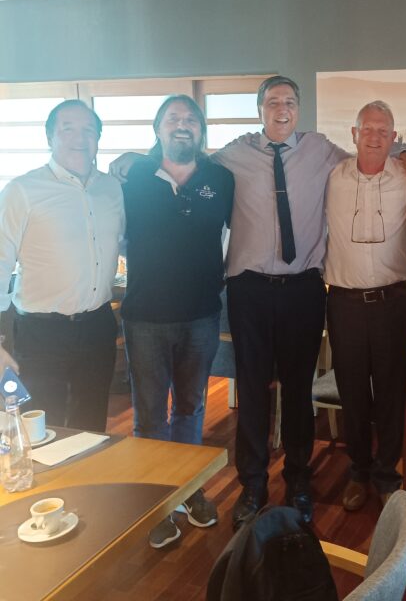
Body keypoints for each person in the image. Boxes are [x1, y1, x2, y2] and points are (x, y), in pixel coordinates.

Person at [206, 76, 406, 528]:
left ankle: (299, 481)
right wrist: (137, 161)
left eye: (290, 101)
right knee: (252, 391)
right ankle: (252, 484)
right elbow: (189, 164)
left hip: (303, 290)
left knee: (299, 390)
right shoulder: (233, 154)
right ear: (260, 109)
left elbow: (374, 160)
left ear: (299, 109)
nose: (282, 109)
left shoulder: (322, 151)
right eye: (273, 101)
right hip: (250, 290)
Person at [121, 95, 234, 548]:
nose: (182, 125)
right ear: (158, 128)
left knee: (191, 408)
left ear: (201, 130)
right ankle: (155, 502)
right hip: (145, 318)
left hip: (201, 315)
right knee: (149, 416)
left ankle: (188, 488)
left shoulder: (220, 179)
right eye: (173, 119)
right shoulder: (133, 176)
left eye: (190, 119)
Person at [324, 100, 406, 510]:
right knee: (352, 393)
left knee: (390, 392)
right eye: (367, 129)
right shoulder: (332, 177)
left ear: (394, 137)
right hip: (344, 303)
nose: (374, 136)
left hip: (392, 302)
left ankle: (387, 474)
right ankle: (358, 471)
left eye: (383, 131)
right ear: (353, 134)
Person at [0, 100, 124, 432]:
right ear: (50, 138)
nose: (79, 138)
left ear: (98, 138)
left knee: (91, 425)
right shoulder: (22, 191)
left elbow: (120, 241)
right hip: (41, 333)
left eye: (89, 130)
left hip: (98, 326)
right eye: (68, 129)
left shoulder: (112, 188)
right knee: (42, 427)